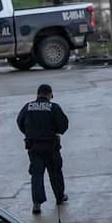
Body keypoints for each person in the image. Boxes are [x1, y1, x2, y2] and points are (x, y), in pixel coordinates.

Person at [16, 84, 69, 215]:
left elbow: (19, 122)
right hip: (51, 146)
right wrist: (56, 131)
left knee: (37, 175)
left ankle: (37, 203)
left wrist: (29, 133)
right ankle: (59, 197)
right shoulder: (54, 107)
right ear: (50, 94)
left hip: (34, 146)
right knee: (55, 172)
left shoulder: (28, 107)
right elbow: (63, 125)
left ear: (38, 94)